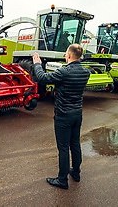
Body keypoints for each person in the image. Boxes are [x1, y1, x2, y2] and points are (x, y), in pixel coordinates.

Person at [32, 44, 90, 190]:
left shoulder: (63, 72)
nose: (65, 55)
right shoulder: (86, 72)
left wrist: (37, 64)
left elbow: (41, 77)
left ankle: (62, 180)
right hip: (77, 114)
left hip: (63, 115)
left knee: (63, 148)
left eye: (66, 53)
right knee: (75, 144)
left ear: (69, 55)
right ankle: (76, 173)